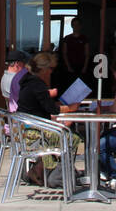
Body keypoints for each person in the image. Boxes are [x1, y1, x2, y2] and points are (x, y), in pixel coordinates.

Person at [15, 52, 81, 186]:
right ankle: (56, 176)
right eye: (51, 69)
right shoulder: (37, 84)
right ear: (43, 69)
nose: (51, 72)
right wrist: (71, 108)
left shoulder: (28, 81)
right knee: (71, 137)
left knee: (61, 132)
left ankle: (38, 169)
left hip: (26, 128)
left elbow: (43, 106)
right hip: (35, 131)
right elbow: (52, 109)